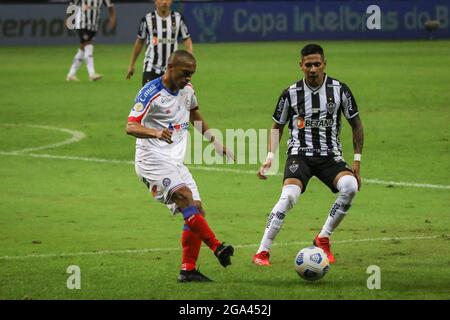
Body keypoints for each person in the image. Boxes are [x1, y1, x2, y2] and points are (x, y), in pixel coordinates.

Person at [126, 50, 235, 282]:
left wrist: (214, 140)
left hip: (175, 161)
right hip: (151, 159)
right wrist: (155, 131)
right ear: (170, 67)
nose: (188, 79)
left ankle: (188, 270)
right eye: (185, 73)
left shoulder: (187, 90)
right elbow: (131, 126)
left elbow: (194, 113)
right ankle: (217, 247)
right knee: (185, 197)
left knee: (196, 209)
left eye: (192, 75)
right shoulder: (150, 93)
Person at [252, 44, 364, 266]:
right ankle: (262, 251)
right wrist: (269, 156)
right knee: (289, 197)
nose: (313, 69)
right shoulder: (290, 93)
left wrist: (357, 161)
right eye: (308, 65)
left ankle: (323, 237)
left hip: (330, 156)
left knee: (350, 186)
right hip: (299, 155)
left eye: (317, 64)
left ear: (324, 64)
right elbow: (277, 126)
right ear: (301, 66)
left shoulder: (340, 89)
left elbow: (357, 125)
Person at [126, 0, 193, 86]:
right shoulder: (147, 19)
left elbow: (187, 39)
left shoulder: (178, 18)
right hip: (151, 68)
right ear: (155, 1)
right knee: (149, 98)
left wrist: (189, 60)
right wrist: (132, 64)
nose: (164, 2)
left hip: (172, 69)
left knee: (172, 98)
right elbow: (139, 42)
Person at [66, 0, 116, 82]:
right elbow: (72, 4)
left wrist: (113, 18)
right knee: (88, 45)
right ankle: (92, 74)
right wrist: (69, 19)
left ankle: (71, 74)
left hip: (93, 25)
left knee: (83, 48)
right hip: (82, 23)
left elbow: (110, 6)